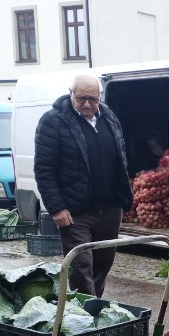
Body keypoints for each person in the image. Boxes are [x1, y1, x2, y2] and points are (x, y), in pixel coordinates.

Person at [34, 73, 133, 297]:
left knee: (103, 263)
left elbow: (121, 157)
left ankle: (94, 307)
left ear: (100, 97)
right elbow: (44, 169)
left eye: (93, 99)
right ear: (71, 94)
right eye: (81, 99)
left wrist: (123, 195)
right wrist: (56, 208)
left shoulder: (108, 116)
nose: (87, 104)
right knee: (80, 265)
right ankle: (85, 315)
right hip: (74, 210)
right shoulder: (53, 121)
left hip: (109, 207)